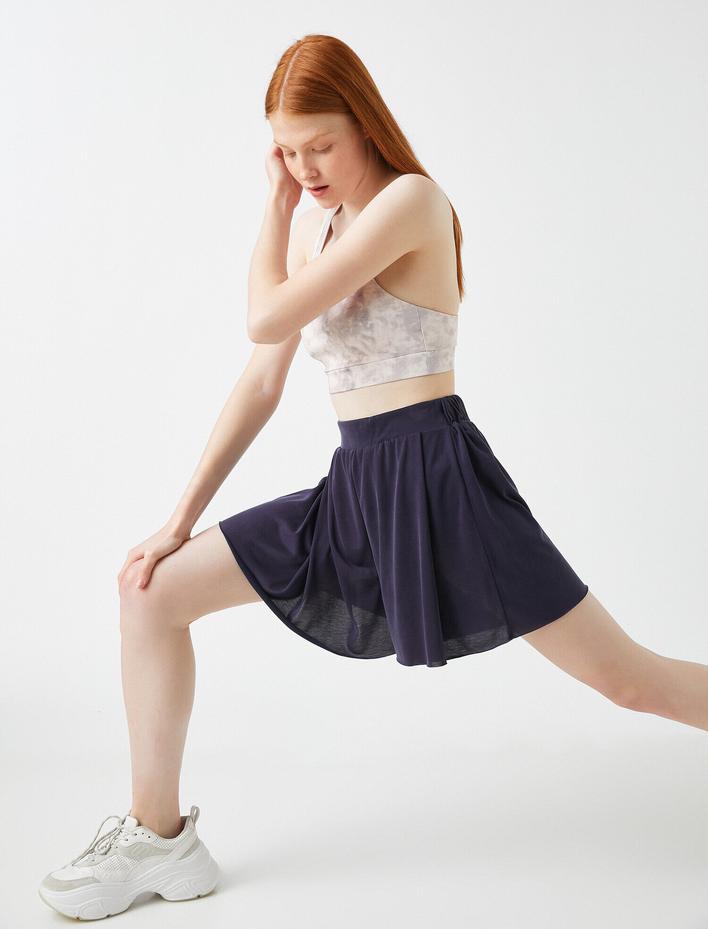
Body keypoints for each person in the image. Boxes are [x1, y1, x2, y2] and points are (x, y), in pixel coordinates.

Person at [39, 33, 708, 920]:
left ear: (363, 123)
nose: (303, 168)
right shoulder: (318, 226)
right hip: (356, 490)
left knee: (628, 680)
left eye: (320, 144)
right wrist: (178, 519)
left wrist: (272, 209)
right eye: (285, 150)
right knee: (151, 593)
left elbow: (263, 316)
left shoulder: (411, 202)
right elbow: (263, 378)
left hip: (443, 485)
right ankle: (159, 838)